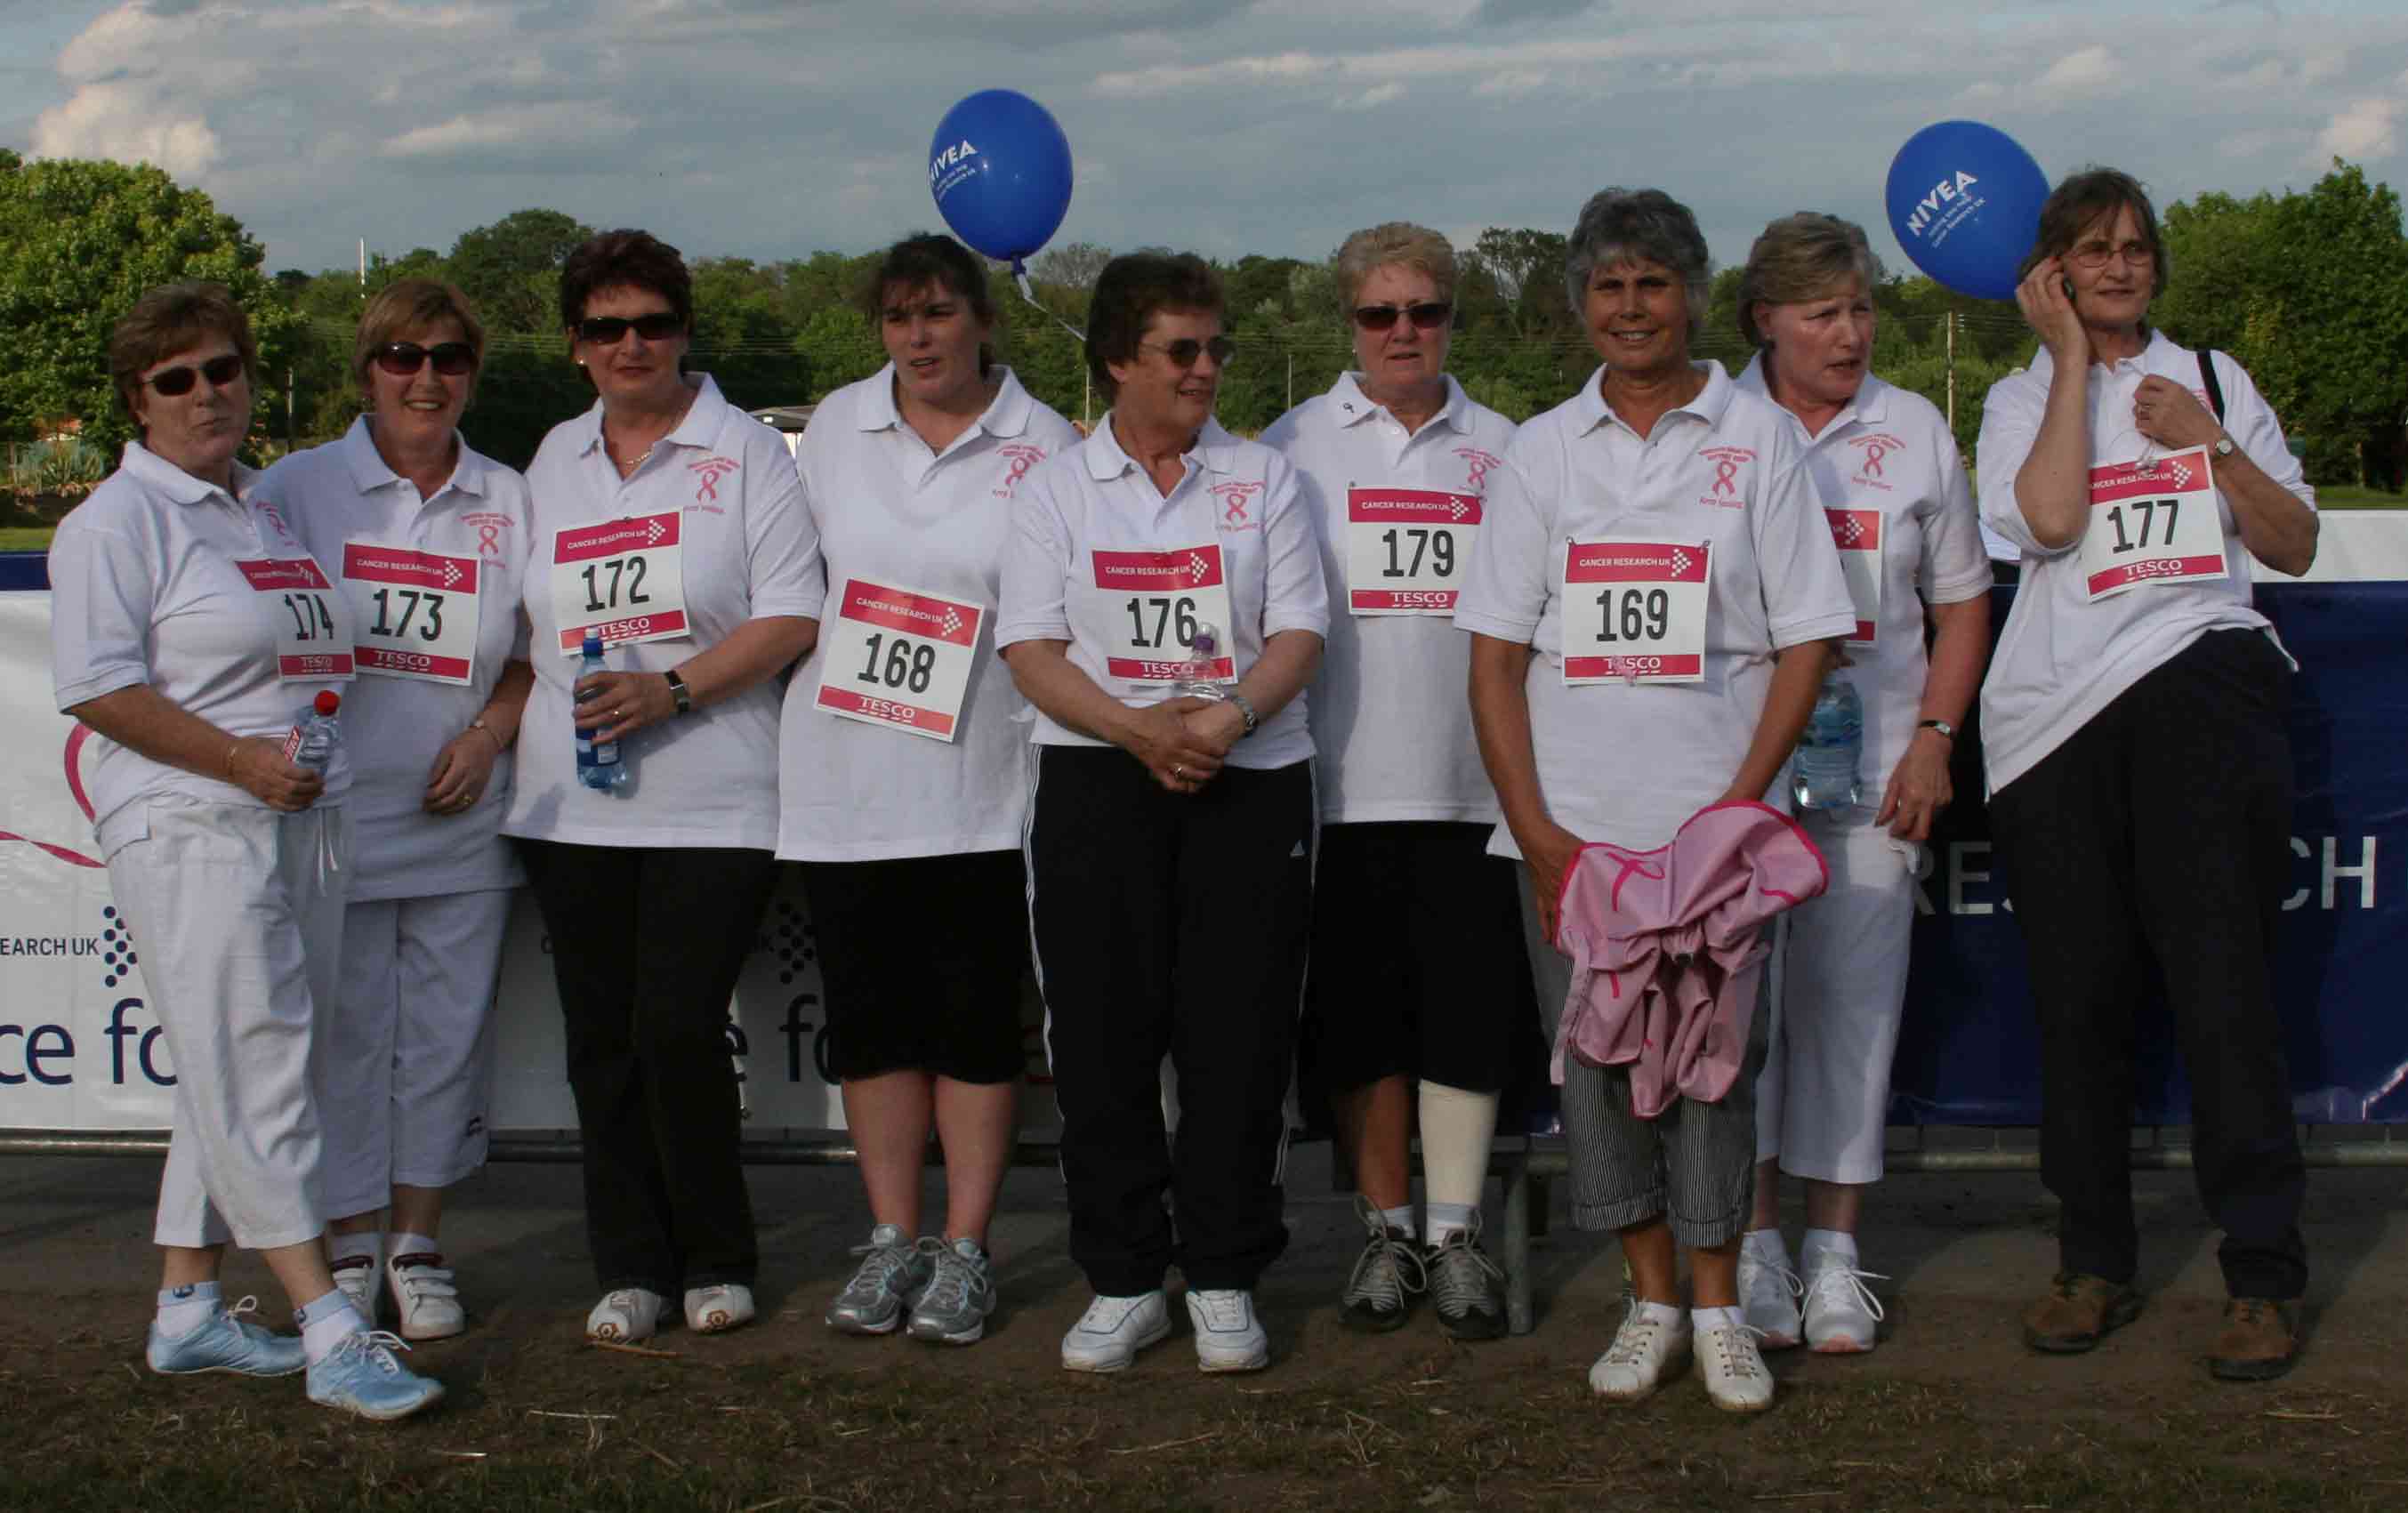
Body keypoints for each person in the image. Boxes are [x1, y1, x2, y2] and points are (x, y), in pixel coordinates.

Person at [1456, 189, 1855, 1412]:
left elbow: (1805, 642)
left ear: (1690, 294)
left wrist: (1734, 818)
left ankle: (1724, 1305)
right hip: (1579, 838)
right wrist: (1534, 836)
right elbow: (1493, 660)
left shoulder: (1758, 437)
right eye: (1607, 287)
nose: (1629, 308)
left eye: (1652, 284)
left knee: (1716, 1077)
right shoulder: (1539, 449)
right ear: (1579, 303)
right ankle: (1649, 1303)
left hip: (1712, 834)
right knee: (1595, 1073)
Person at [48, 281, 442, 1419]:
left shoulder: (258, 511)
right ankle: (329, 1326)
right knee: (258, 1059)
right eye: (178, 379)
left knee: (248, 1064)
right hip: (190, 825)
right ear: (139, 399)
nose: (206, 394)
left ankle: (186, 1308)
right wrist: (237, 762)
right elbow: (97, 688)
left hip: (299, 818)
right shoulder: (115, 523)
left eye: (223, 370)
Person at [1977, 168, 2318, 1380]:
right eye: (2089, 250)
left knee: (2221, 994)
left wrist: (2208, 442)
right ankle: (2092, 1262)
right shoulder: (2018, 399)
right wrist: (2070, 363)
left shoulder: (2214, 379)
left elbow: (2291, 540)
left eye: (2132, 247)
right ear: (2048, 273)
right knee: (2079, 1008)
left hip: (2199, 688)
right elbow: (2052, 523)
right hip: (2055, 730)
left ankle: (2262, 1277)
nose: (2117, 266)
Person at [997, 252, 1328, 1375]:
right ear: (1115, 362)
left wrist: (1223, 721)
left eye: (1216, 348)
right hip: (1098, 778)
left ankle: (1227, 1274)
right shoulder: (1051, 488)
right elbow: (1030, 650)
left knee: (1237, 1036)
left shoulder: (1264, 477)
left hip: (1247, 774)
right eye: (1180, 351)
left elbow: (1298, 634)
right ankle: (1126, 1275)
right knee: (1102, 1038)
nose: (1205, 370)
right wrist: (1141, 731)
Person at [505, 230, 822, 1345]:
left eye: (651, 323)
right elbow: (517, 624)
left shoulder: (749, 454)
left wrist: (673, 692)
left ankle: (717, 1257)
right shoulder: (548, 459)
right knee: (602, 1040)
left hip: (716, 794)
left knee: (678, 1027)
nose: (631, 344)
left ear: (683, 331)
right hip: (569, 802)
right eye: (605, 327)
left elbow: (793, 613)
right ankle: (631, 1265)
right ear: (576, 347)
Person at [778, 233, 1081, 1346]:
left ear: (982, 321)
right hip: (845, 782)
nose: (918, 336)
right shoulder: (833, 432)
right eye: (899, 316)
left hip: (981, 786)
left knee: (971, 1028)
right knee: (871, 1029)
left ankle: (964, 1250)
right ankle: (890, 1239)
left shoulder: (1044, 443)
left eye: (939, 313)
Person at [1260, 221, 1533, 1340]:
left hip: (1472, 787)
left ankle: (1458, 1237)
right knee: (1364, 1030)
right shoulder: (1290, 444)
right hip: (1338, 790)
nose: (1404, 332)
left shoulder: (1510, 446)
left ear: (1452, 318)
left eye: (1425, 310)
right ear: (1350, 324)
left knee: (1464, 1024)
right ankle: (1386, 1234)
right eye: (1381, 314)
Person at [1728, 215, 1993, 1354]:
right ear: (1764, 322)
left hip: (1874, 772)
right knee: (1738, 1020)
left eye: (1863, 310)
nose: (1851, 334)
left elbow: (1963, 601)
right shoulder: (1713, 425)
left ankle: (1834, 1254)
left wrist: (1934, 734)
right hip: (1731, 775)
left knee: (1850, 1012)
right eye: (1823, 313)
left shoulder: (1915, 427)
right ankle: (1748, 1246)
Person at [252, 279, 535, 1342]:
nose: (427, 378)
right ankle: (353, 1235)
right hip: (332, 822)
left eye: (450, 358)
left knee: (445, 1038)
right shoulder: (296, 486)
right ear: (367, 369)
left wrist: (483, 737)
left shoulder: (509, 497)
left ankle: (418, 1240)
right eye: (403, 357)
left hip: (462, 819)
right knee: (348, 1039)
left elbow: (528, 659)